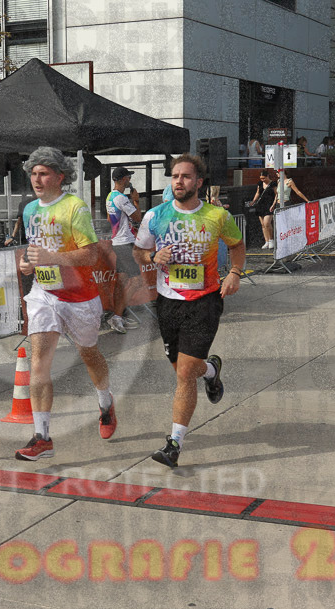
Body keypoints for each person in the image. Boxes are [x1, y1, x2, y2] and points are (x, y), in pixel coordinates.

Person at [132, 154, 246, 468]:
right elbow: (138, 253)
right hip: (168, 304)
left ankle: (174, 444)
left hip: (205, 301)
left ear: (198, 182)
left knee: (184, 374)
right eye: (174, 176)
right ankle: (211, 371)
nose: (178, 181)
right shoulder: (155, 216)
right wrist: (154, 256)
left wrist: (235, 273)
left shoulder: (216, 216)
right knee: (185, 371)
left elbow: (237, 245)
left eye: (185, 176)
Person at [15, 146, 116, 461]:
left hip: (80, 298)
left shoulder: (75, 208)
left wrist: (53, 258)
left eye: (43, 172)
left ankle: (105, 402)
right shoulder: (30, 210)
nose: (37, 179)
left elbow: (91, 254)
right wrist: (28, 266)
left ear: (60, 176)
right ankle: (42, 437)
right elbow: (35, 250)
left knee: (89, 355)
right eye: (33, 173)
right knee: (39, 362)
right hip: (43, 294)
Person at [104, 166, 144, 334]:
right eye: (128, 177)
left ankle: (118, 315)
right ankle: (117, 316)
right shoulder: (121, 198)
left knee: (122, 282)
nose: (129, 180)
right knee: (137, 281)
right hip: (125, 243)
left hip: (117, 242)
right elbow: (138, 217)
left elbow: (109, 218)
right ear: (122, 180)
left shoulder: (110, 196)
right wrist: (136, 200)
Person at [248, 169, 278, 249]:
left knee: (267, 223)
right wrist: (253, 201)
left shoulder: (273, 184)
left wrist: (273, 204)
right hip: (260, 205)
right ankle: (266, 241)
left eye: (264, 178)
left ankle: (271, 240)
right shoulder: (260, 184)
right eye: (261, 178)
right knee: (263, 225)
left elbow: (276, 194)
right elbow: (258, 193)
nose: (262, 180)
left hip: (269, 204)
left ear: (268, 176)